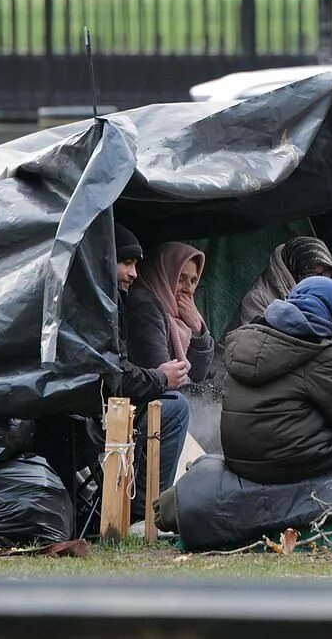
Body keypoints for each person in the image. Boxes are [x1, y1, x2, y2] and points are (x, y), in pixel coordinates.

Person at [220, 276, 332, 484]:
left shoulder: (252, 338)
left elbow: (290, 392)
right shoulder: (319, 352)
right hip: (285, 463)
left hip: (241, 460)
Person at [113, 224, 191, 522]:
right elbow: (118, 373)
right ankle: (146, 513)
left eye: (193, 281)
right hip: (101, 410)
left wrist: (198, 332)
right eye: (126, 263)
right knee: (175, 407)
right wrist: (161, 377)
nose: (133, 273)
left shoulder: (176, 313)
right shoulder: (140, 304)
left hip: (115, 401)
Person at [222, 236, 332, 341]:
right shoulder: (259, 298)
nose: (318, 280)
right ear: (292, 271)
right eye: (310, 274)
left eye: (325, 274)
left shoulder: (325, 295)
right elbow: (258, 350)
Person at [126, 242, 215, 385]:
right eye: (180, 279)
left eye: (193, 281)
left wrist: (198, 330)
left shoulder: (184, 314)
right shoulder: (144, 305)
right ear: (162, 275)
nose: (188, 289)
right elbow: (164, 377)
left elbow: (199, 376)